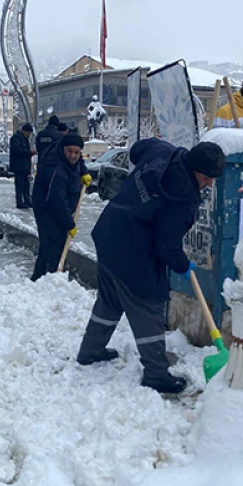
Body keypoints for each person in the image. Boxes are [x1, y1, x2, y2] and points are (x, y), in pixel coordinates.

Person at [77, 139, 226, 394]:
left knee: (111, 299)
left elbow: (136, 150)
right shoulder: (181, 199)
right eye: (206, 177)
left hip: (109, 232)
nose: (209, 183)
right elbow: (166, 246)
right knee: (147, 304)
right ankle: (156, 374)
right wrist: (181, 264)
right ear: (195, 170)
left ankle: (90, 351)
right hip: (132, 250)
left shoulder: (163, 152)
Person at [31, 132, 85, 281]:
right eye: (70, 151)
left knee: (48, 244)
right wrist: (69, 223)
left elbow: (79, 162)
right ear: (63, 149)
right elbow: (57, 200)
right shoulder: (55, 168)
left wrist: (84, 172)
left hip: (57, 205)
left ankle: (38, 278)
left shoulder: (68, 158)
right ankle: (51, 278)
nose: (73, 156)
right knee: (54, 244)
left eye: (77, 152)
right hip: (46, 208)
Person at [10, 123, 35, 208]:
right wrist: (29, 152)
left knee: (25, 185)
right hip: (19, 166)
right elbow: (18, 150)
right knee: (19, 185)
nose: (29, 135)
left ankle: (27, 201)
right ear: (25, 131)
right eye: (29, 133)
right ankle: (19, 202)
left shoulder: (24, 139)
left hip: (24, 166)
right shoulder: (16, 138)